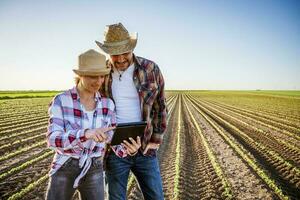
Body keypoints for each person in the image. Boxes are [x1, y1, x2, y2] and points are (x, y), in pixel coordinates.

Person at [96, 23, 167, 200]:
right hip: (114, 149)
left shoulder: (150, 69)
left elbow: (160, 106)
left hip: (144, 148)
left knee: (156, 196)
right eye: (115, 54)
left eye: (124, 53)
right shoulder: (101, 73)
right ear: (108, 53)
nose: (120, 59)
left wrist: (154, 141)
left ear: (132, 48)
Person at [45, 49, 116, 200]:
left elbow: (112, 135)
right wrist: (85, 134)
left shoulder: (107, 104)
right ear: (80, 75)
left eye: (102, 76)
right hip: (65, 165)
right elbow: (53, 139)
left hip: (95, 166)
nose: (98, 81)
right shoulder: (61, 100)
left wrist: (127, 146)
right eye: (92, 76)